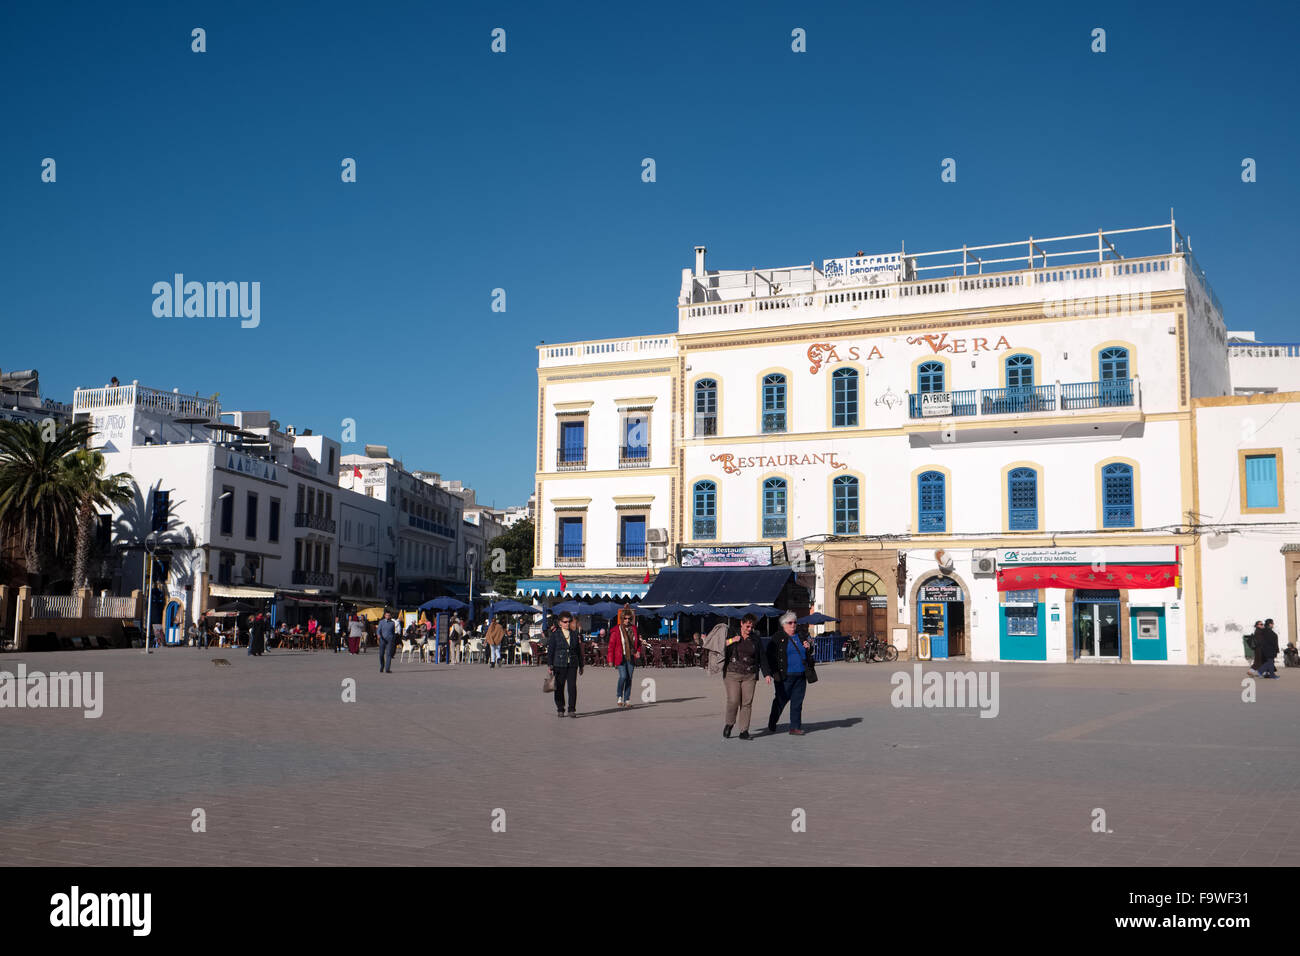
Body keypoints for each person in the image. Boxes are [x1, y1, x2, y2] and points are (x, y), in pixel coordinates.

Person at [722, 613, 770, 740]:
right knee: (733, 701)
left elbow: (762, 657)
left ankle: (744, 731)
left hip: (750, 674)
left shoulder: (755, 638)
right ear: (741, 624)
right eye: (747, 626)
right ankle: (729, 723)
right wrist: (733, 640)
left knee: (747, 703)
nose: (749, 629)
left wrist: (767, 674)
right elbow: (720, 646)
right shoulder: (731, 633)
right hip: (732, 673)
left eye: (752, 627)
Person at [767, 611, 813, 735]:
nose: (793, 625)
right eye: (790, 623)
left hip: (801, 675)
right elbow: (769, 656)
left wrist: (809, 646)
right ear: (783, 625)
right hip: (784, 675)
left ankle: (795, 727)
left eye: (795, 622)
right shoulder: (777, 637)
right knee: (780, 701)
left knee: (797, 703)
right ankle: (772, 721)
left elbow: (809, 650)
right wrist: (773, 672)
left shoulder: (801, 635)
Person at [546, 611, 584, 716]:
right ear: (560, 623)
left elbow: (578, 651)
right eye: (565, 622)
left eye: (569, 621)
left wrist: (581, 665)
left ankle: (571, 709)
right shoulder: (555, 635)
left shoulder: (574, 634)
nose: (567, 624)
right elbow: (551, 651)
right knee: (559, 687)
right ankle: (560, 708)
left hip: (572, 664)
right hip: (559, 664)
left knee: (572, 687)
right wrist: (550, 665)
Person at [607, 606, 642, 707]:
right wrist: (610, 660)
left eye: (629, 619)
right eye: (625, 618)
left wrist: (638, 651)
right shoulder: (616, 630)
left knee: (629, 678)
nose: (627, 620)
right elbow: (611, 646)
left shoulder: (634, 629)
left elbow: (638, 644)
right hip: (620, 657)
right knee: (623, 676)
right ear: (621, 619)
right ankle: (619, 697)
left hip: (631, 656)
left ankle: (627, 699)